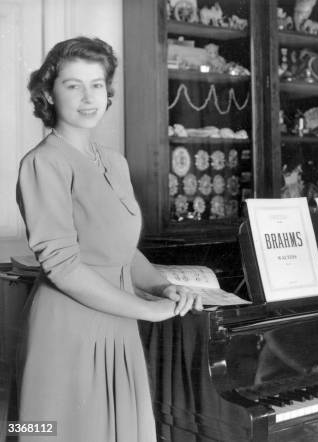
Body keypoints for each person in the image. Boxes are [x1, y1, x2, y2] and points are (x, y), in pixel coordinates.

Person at [16, 37, 204, 442]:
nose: (88, 97)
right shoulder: (42, 162)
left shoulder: (115, 162)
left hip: (119, 322)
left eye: (97, 84)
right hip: (68, 329)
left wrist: (162, 286)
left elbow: (121, 248)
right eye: (73, 85)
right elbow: (63, 267)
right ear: (48, 92)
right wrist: (147, 310)